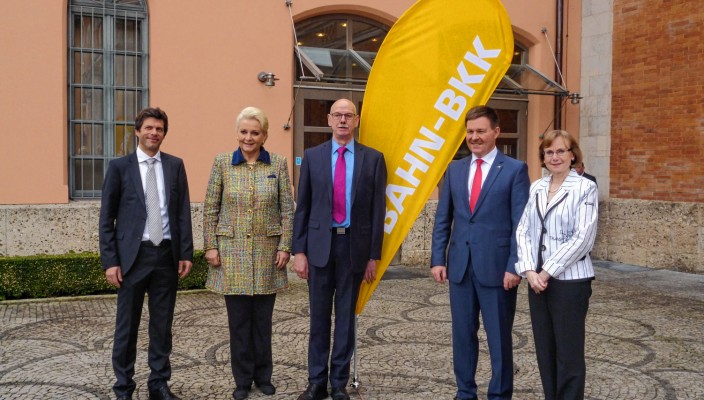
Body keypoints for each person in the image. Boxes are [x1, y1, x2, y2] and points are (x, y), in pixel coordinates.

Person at [430, 105, 530, 400]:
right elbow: (443, 218)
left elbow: (520, 225)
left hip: (499, 270)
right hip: (460, 268)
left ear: (496, 132)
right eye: (470, 131)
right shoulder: (454, 169)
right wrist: (438, 258)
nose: (474, 137)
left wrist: (515, 265)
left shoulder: (514, 170)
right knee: (462, 336)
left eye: (480, 131)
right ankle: (465, 392)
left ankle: (499, 395)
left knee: (499, 338)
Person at [293, 98, 387, 400]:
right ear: (329, 120)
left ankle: (338, 384)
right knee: (319, 319)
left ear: (356, 121)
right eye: (338, 115)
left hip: (353, 248)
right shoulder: (312, 156)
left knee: (345, 319)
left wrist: (374, 255)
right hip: (320, 247)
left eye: (349, 115)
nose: (343, 120)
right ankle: (316, 382)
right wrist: (300, 252)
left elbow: (377, 210)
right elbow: (303, 208)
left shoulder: (373, 159)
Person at [99, 107, 193, 400]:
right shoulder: (119, 168)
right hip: (132, 258)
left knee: (162, 326)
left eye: (160, 129)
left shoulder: (175, 165)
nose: (154, 133)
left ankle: (159, 384)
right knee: (127, 326)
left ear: (165, 133)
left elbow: (182, 213)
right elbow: (107, 219)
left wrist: (185, 253)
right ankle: (124, 386)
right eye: (149, 128)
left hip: (165, 255)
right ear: (137, 131)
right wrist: (110, 261)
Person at [203, 107, 294, 400]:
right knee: (239, 322)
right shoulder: (222, 163)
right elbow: (210, 208)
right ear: (237, 133)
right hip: (232, 254)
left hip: (268, 255)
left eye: (255, 132)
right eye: (244, 132)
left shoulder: (278, 165)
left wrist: (285, 246)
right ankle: (242, 380)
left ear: (264, 135)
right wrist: (210, 245)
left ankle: (263, 376)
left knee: (263, 322)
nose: (248, 137)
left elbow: (288, 211)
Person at [514, 130, 598, 400]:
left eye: (561, 151)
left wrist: (546, 271)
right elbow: (524, 230)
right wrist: (528, 270)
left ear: (573, 154)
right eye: (549, 152)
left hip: (570, 282)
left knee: (569, 353)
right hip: (537, 281)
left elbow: (582, 238)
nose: (555, 157)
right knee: (545, 350)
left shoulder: (586, 187)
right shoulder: (537, 187)